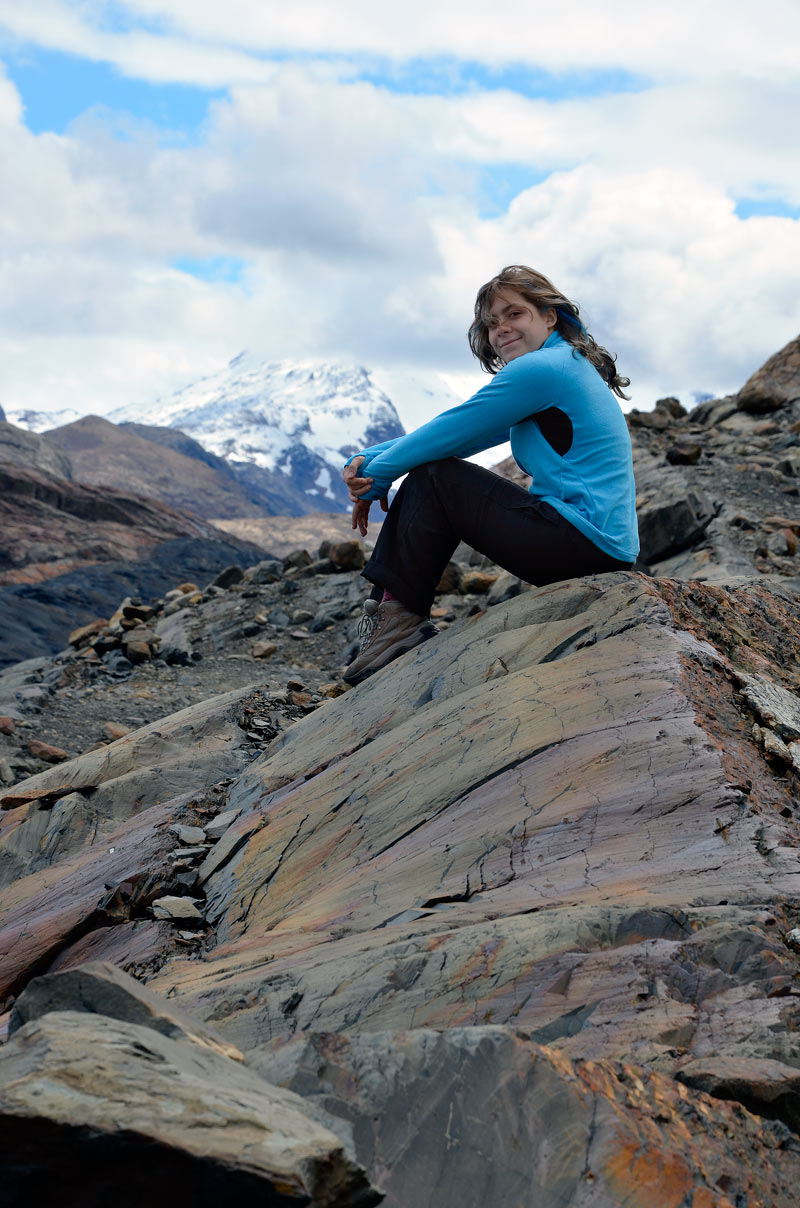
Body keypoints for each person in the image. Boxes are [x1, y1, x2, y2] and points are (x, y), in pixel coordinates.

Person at [341, 264, 639, 686]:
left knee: (435, 478)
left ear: (549, 316)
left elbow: (451, 432)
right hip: (598, 549)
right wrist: (367, 461)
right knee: (436, 470)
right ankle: (391, 619)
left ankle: (397, 619)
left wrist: (375, 476)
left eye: (514, 314)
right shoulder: (564, 365)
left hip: (583, 546)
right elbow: (459, 434)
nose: (501, 329)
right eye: (491, 324)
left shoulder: (543, 370)